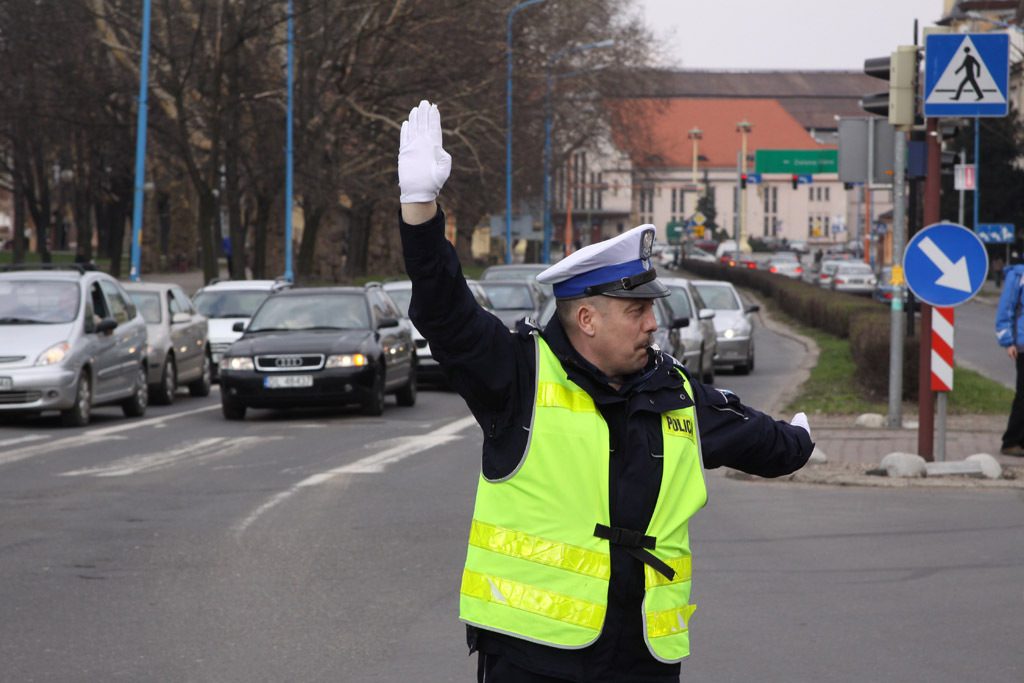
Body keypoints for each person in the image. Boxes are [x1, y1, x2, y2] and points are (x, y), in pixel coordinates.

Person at [397, 100, 814, 682]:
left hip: (642, 658)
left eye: (651, 310)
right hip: (534, 656)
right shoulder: (518, 374)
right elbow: (445, 310)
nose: (652, 324)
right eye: (636, 310)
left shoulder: (671, 391)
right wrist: (420, 209)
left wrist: (798, 442)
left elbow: (755, 439)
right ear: (588, 319)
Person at [995, 250, 1024, 456]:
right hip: (1022, 345)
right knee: (1023, 395)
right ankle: (1011, 441)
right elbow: (1006, 309)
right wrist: (1008, 341)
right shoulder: (1018, 275)